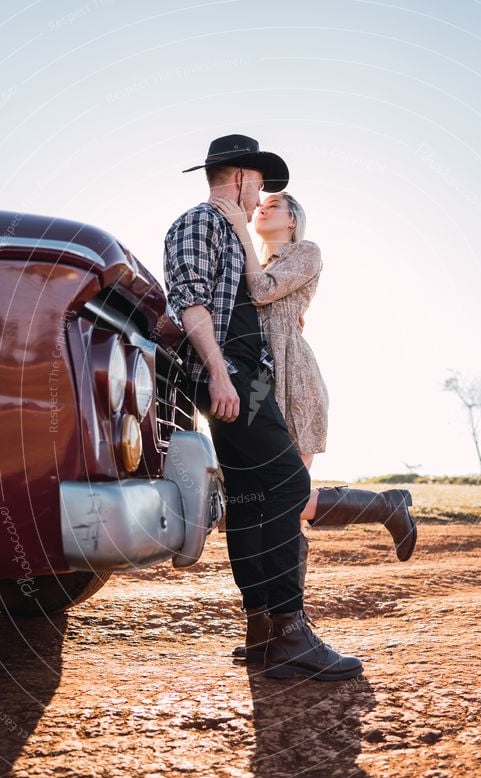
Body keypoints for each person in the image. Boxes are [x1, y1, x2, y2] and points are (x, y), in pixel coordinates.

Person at [164, 134, 363, 681]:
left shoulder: (228, 232)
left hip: (248, 377)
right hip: (233, 374)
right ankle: (290, 633)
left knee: (253, 500)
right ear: (242, 178)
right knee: (290, 487)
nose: (259, 202)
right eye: (260, 188)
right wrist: (221, 374)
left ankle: (262, 630)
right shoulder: (201, 222)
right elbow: (192, 301)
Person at [211, 190, 417, 608]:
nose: (263, 208)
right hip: (258, 381)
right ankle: (275, 620)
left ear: (292, 221)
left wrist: (240, 230)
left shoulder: (306, 252)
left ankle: (383, 508)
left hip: (294, 376)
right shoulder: (260, 260)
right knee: (255, 501)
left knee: (290, 500)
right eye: (261, 205)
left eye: (275, 206)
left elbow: (265, 290)